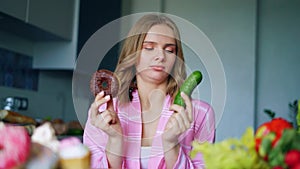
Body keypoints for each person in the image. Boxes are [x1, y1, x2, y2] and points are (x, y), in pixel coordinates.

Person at [83, 13, 215, 169]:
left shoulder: (201, 114)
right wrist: (115, 141)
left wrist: (171, 145)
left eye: (170, 50)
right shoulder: (103, 114)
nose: (160, 56)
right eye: (149, 47)